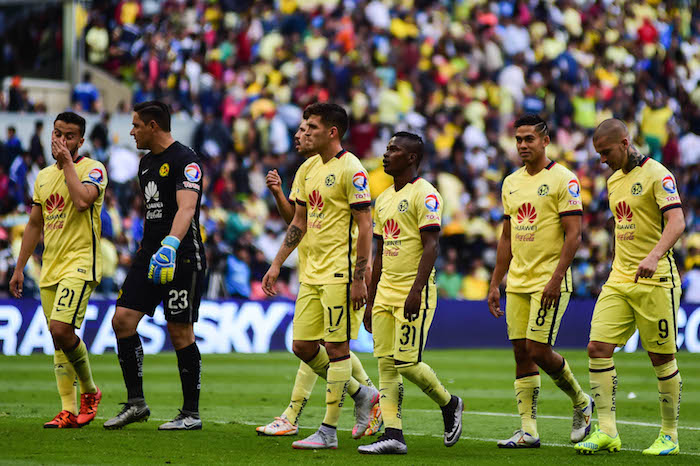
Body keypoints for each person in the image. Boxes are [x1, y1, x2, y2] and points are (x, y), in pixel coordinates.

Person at [262, 103, 380, 450]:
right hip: (310, 272)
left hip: (340, 273)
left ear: (332, 132)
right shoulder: (307, 168)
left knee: (337, 348)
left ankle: (328, 431)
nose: (304, 132)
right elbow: (298, 222)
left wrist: (361, 278)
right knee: (302, 346)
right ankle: (363, 395)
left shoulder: (353, 170)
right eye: (304, 126)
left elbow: (365, 227)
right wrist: (276, 264)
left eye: (312, 126)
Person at [574, 119, 685, 456]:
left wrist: (653, 256)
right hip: (620, 278)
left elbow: (677, 222)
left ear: (624, 143)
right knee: (597, 348)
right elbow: (622, 227)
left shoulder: (658, 174)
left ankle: (670, 435)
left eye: (605, 152)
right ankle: (607, 430)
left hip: (657, 279)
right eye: (598, 154)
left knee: (661, 358)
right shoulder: (612, 182)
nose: (602, 159)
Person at [488, 114, 593, 447]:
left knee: (538, 349)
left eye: (529, 139)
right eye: (518, 139)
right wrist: (495, 282)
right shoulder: (511, 182)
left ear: (545, 141)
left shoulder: (564, 179)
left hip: (549, 280)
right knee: (521, 352)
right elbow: (506, 237)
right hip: (517, 280)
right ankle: (529, 430)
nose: (522, 145)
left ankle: (581, 402)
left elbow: (574, 235)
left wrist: (556, 277)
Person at [103, 101, 207, 431]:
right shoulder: (146, 163)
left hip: (182, 256)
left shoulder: (185, 160)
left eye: (135, 125)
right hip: (149, 254)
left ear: (153, 126)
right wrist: (151, 249)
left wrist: (171, 245)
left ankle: (190, 413)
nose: (131, 131)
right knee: (122, 320)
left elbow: (186, 208)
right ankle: (136, 404)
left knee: (179, 331)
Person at [358, 132, 464, 455]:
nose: (386, 154)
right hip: (385, 292)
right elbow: (378, 254)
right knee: (386, 366)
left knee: (406, 363)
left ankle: (450, 403)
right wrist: (370, 298)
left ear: (412, 158)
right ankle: (394, 435)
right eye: (387, 148)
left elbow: (432, 246)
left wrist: (417, 289)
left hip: (412, 291)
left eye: (394, 150)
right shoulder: (384, 199)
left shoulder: (426, 195)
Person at [10, 111, 107, 428]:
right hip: (49, 267)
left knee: (61, 330)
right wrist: (20, 267)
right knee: (58, 341)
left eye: (68, 136)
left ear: (80, 140)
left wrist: (67, 164)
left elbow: (81, 202)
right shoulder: (41, 177)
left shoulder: (93, 169)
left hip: (80, 263)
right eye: (57, 134)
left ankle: (90, 393)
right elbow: (35, 224)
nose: (61, 141)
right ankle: (67, 409)